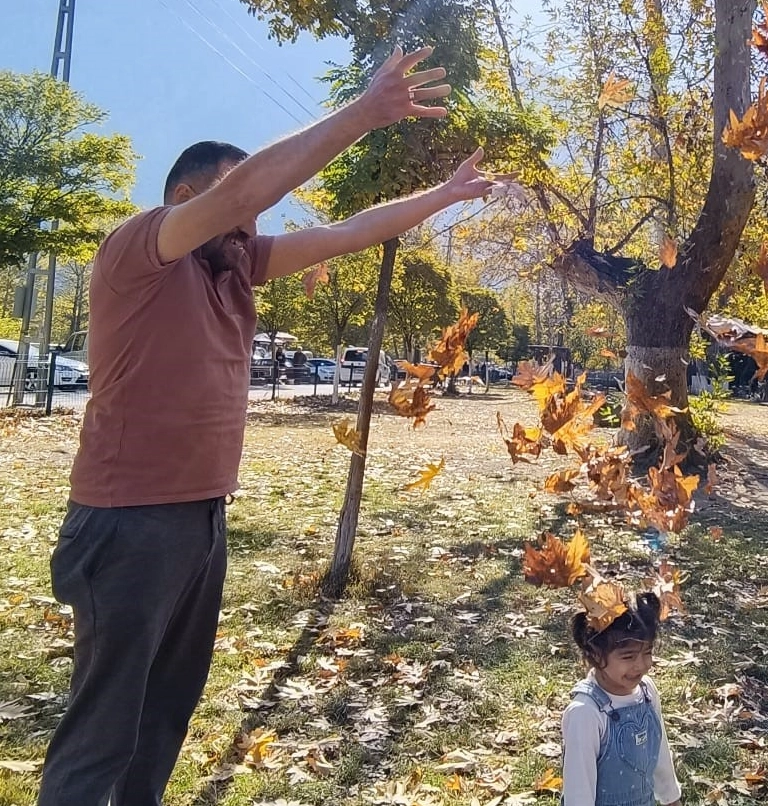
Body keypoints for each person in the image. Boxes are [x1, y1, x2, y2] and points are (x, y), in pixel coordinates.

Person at [39, 46, 512, 806]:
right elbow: (252, 185)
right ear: (186, 197)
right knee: (102, 731)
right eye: (231, 207)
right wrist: (365, 111)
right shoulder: (140, 250)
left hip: (201, 517)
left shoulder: (237, 268)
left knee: (162, 718)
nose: (248, 223)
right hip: (126, 523)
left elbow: (351, 231)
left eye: (249, 217)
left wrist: (443, 196)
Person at [561, 592, 682, 806]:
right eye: (628, 657)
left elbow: (660, 753)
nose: (642, 665)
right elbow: (578, 791)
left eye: (647, 652)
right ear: (596, 654)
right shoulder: (586, 712)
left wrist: (671, 798)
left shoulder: (647, 692)